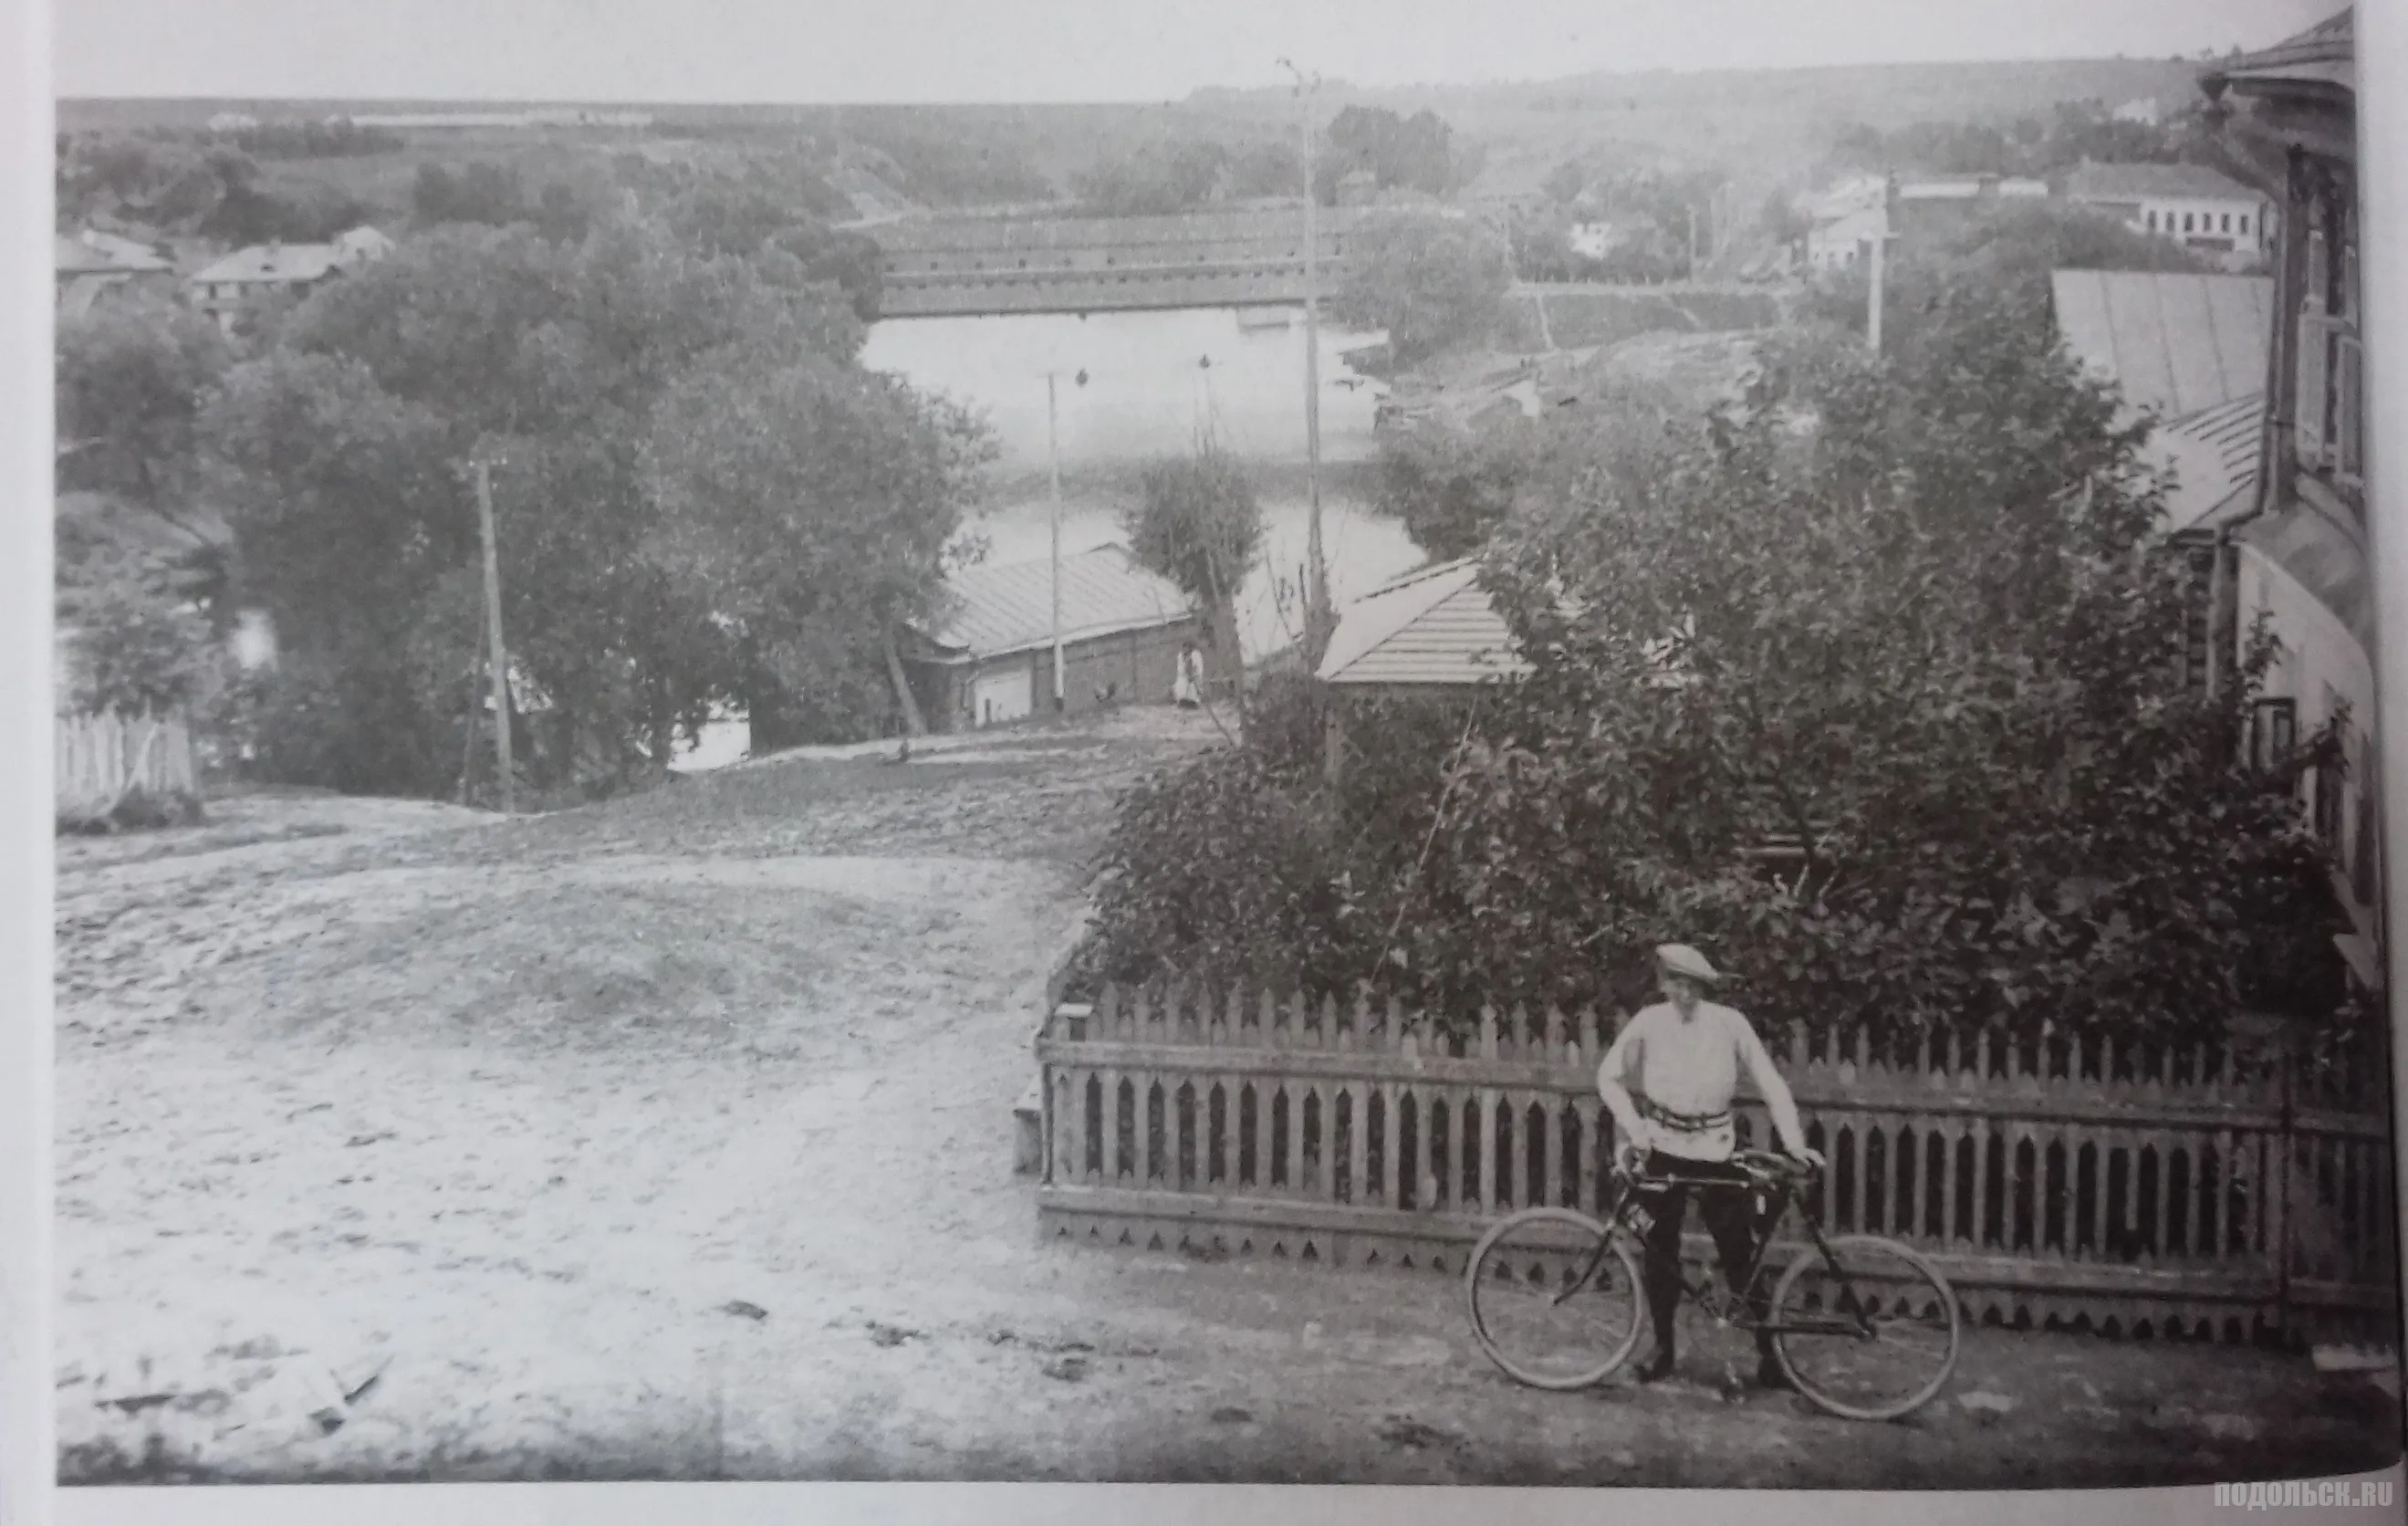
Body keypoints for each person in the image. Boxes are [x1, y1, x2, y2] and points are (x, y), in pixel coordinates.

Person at [1595, 943, 1823, 1389]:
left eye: (1693, 984)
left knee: (1741, 1251)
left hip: (1715, 1148)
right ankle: (1662, 1349)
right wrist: (1635, 1128)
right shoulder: (1648, 1023)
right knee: (1659, 1249)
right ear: (1663, 984)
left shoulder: (1729, 1024)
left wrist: (1794, 1143)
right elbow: (1608, 1076)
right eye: (1676, 983)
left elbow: (1770, 1082)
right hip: (1661, 1147)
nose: (1684, 993)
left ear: (1704, 987)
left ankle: (1770, 1357)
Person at [1173, 641, 1203, 708]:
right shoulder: (1181, 655)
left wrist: (1193, 675)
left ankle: (1194, 702)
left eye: (1187, 648)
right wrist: (1185, 672)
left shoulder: (1195, 654)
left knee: (1193, 688)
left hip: (1194, 675)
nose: (1185, 650)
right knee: (1181, 685)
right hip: (1184, 675)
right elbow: (1180, 668)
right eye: (1184, 648)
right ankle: (1182, 701)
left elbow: (1197, 667)